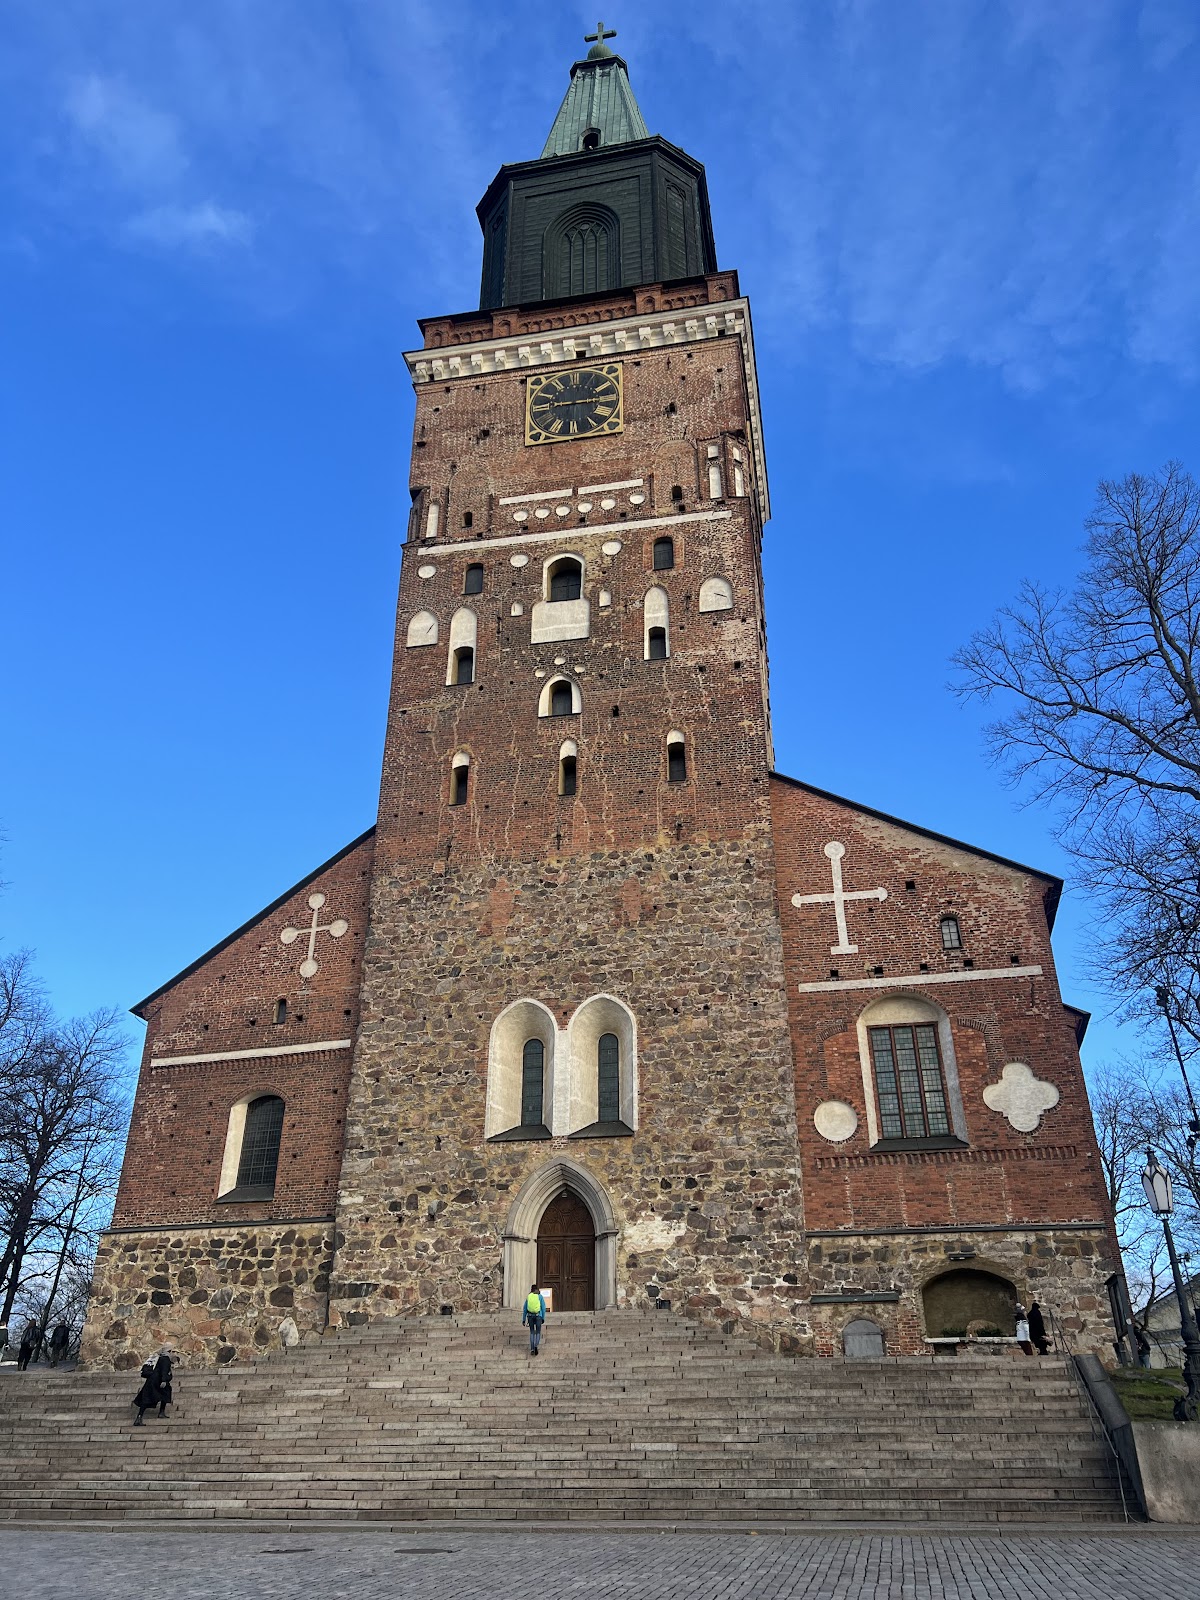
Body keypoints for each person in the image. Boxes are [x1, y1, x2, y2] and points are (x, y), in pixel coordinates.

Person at [133, 1349, 174, 1425]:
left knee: (147, 1398)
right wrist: (164, 1380)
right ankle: (161, 1412)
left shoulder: (158, 1358)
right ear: (169, 1351)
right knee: (165, 1394)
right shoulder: (166, 1359)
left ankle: (139, 1417)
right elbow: (164, 1370)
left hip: (151, 1381)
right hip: (159, 1382)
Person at [522, 1282, 547, 1356]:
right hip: (538, 1315)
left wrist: (523, 1319)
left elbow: (525, 1309)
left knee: (532, 1332)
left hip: (530, 1316)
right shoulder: (540, 1296)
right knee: (538, 1331)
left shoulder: (529, 1297)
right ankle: (536, 1345)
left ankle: (532, 1348)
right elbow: (543, 1308)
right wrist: (543, 1317)